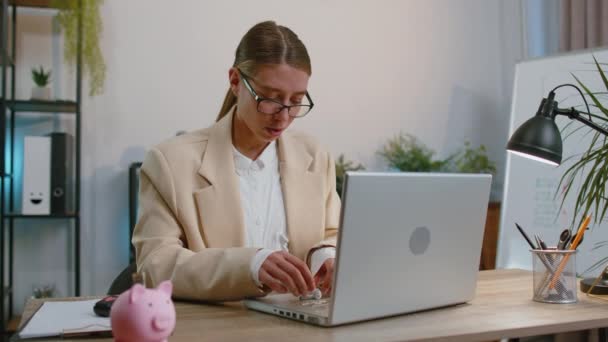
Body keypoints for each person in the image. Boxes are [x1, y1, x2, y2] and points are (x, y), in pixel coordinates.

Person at [132, 21, 341, 301]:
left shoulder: (315, 156)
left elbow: (334, 231)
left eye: (296, 101)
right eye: (270, 99)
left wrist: (325, 255)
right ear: (235, 82)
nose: (283, 116)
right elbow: (155, 264)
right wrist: (251, 266)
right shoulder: (169, 163)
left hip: (300, 324)